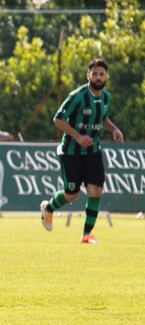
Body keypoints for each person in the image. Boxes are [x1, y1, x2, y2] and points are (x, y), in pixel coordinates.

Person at [40, 58, 123, 244]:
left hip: (93, 151)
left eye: (102, 74)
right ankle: (48, 207)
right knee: (71, 194)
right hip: (71, 152)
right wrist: (78, 136)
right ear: (88, 76)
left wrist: (114, 129)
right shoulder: (78, 96)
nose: (98, 77)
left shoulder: (106, 97)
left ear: (106, 76)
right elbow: (58, 119)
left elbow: (102, 118)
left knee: (96, 190)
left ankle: (86, 234)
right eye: (95, 74)